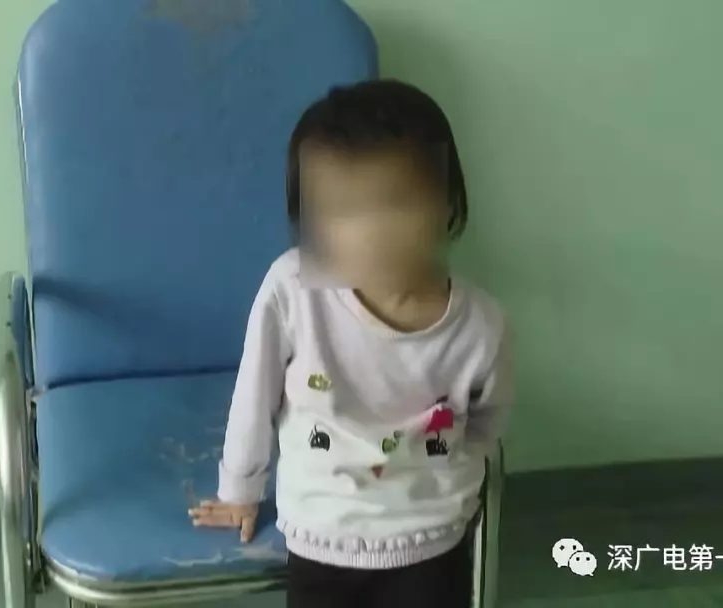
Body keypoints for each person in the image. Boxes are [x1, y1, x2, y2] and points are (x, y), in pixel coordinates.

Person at [188, 79, 512, 608]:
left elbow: (485, 422)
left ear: (448, 200)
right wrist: (239, 491)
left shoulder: (481, 324)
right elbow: (255, 394)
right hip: (321, 531)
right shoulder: (293, 289)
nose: (373, 231)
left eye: (398, 201)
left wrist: (448, 482)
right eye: (342, 210)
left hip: (432, 535)